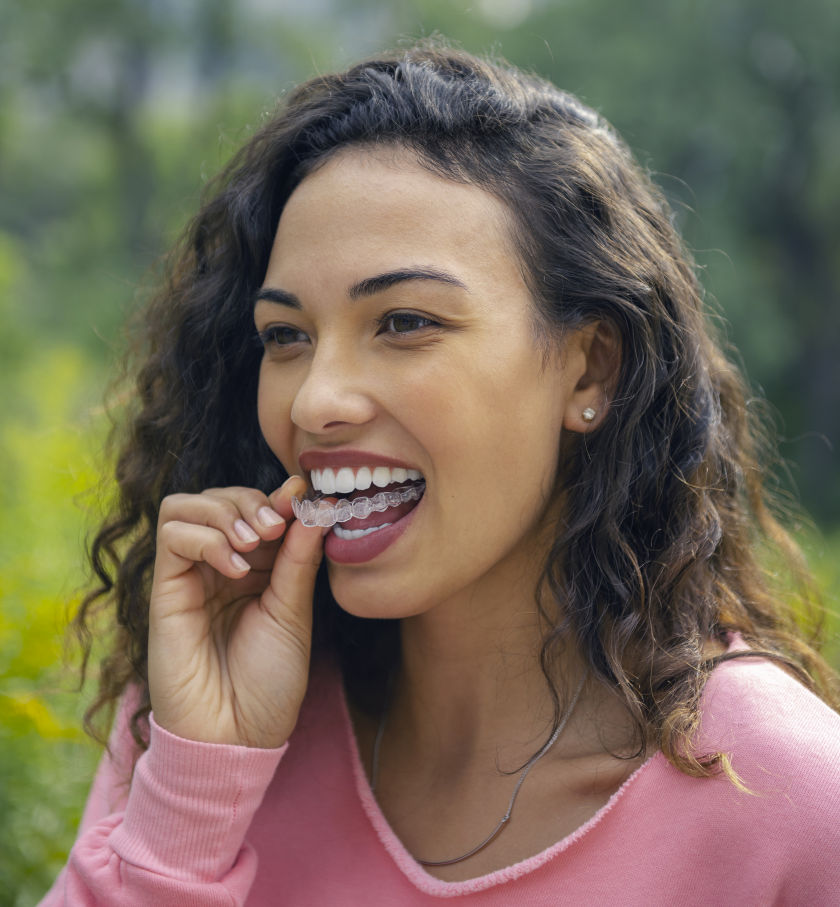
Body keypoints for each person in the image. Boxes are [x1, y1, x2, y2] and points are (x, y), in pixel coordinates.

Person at [41, 42, 840, 905]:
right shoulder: (204, 714)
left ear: (589, 370)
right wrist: (200, 786)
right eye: (285, 335)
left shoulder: (787, 795)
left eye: (405, 321)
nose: (315, 400)